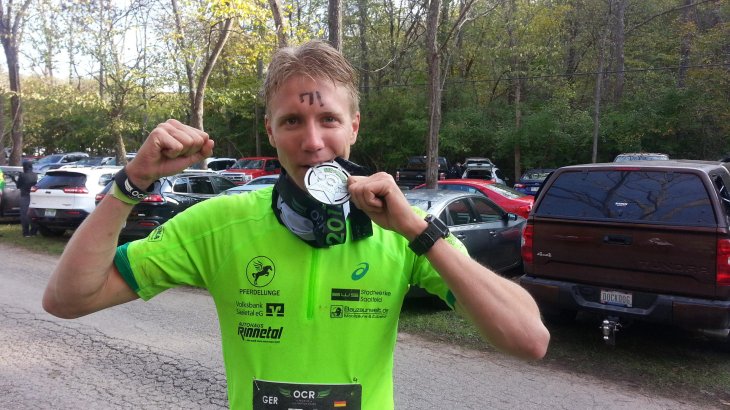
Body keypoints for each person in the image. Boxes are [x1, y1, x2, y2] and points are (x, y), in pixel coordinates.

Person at [43, 40, 549, 409]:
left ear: (353, 126)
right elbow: (67, 300)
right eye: (292, 121)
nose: (311, 142)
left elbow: (530, 339)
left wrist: (420, 233)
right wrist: (130, 184)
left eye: (327, 119)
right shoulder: (220, 223)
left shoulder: (404, 232)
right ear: (271, 129)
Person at [13, 161, 39, 237]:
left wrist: (14, 180)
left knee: (24, 215)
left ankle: (26, 232)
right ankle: (34, 231)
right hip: (34, 196)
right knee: (34, 214)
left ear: (24, 167)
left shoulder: (22, 175)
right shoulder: (35, 175)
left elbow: (18, 186)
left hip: (25, 196)